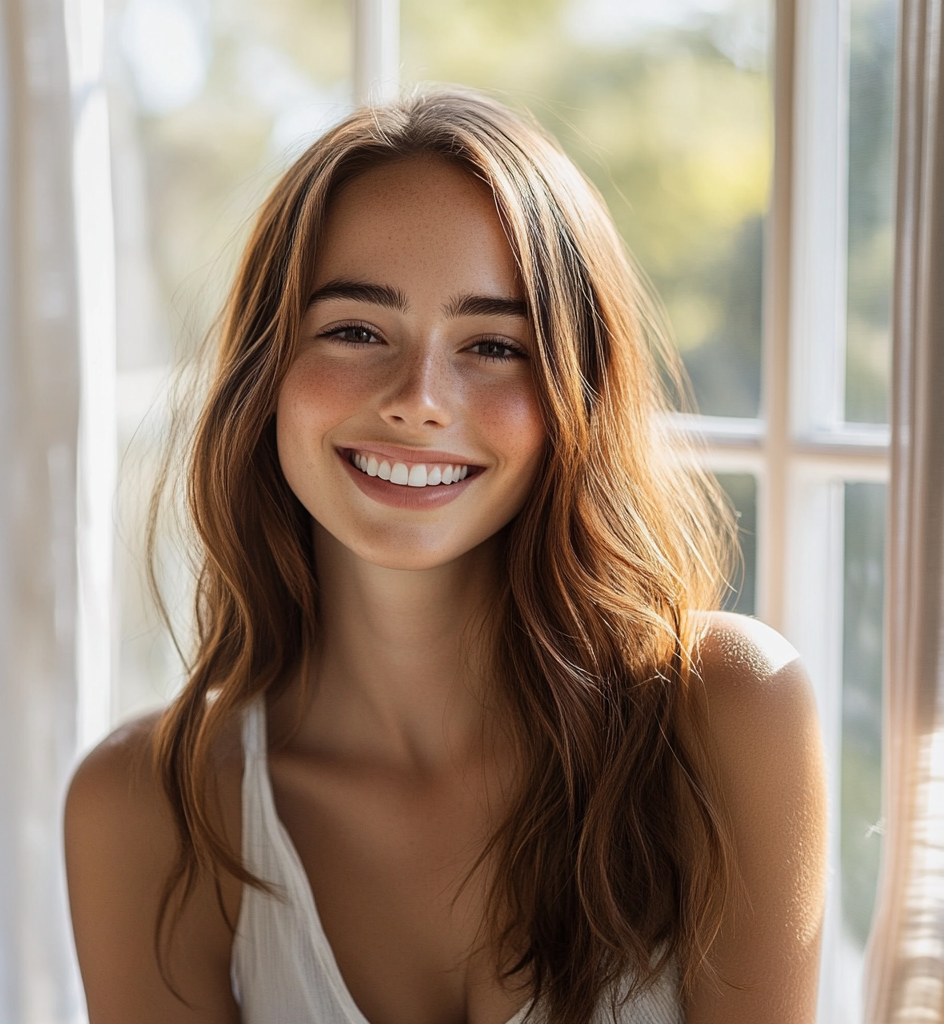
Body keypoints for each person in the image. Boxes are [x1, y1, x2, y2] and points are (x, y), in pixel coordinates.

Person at [64, 90, 827, 1024]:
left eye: (494, 345)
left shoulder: (729, 712)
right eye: (355, 330)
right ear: (267, 373)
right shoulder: (145, 808)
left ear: (572, 392)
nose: (420, 398)